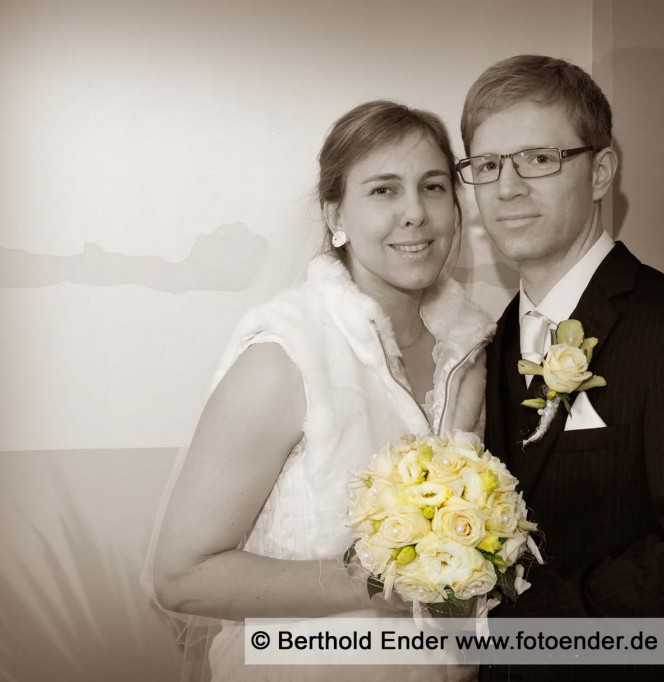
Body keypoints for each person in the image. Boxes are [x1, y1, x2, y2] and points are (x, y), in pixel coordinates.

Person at [145, 100, 493, 681]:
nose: (415, 213)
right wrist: (372, 580)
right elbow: (180, 576)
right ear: (336, 214)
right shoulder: (284, 357)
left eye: (432, 187)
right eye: (383, 191)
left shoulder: (474, 354)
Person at [461, 55, 664, 681]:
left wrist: (518, 627)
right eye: (487, 165)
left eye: (538, 159)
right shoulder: (485, 346)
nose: (507, 187)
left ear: (601, 171)